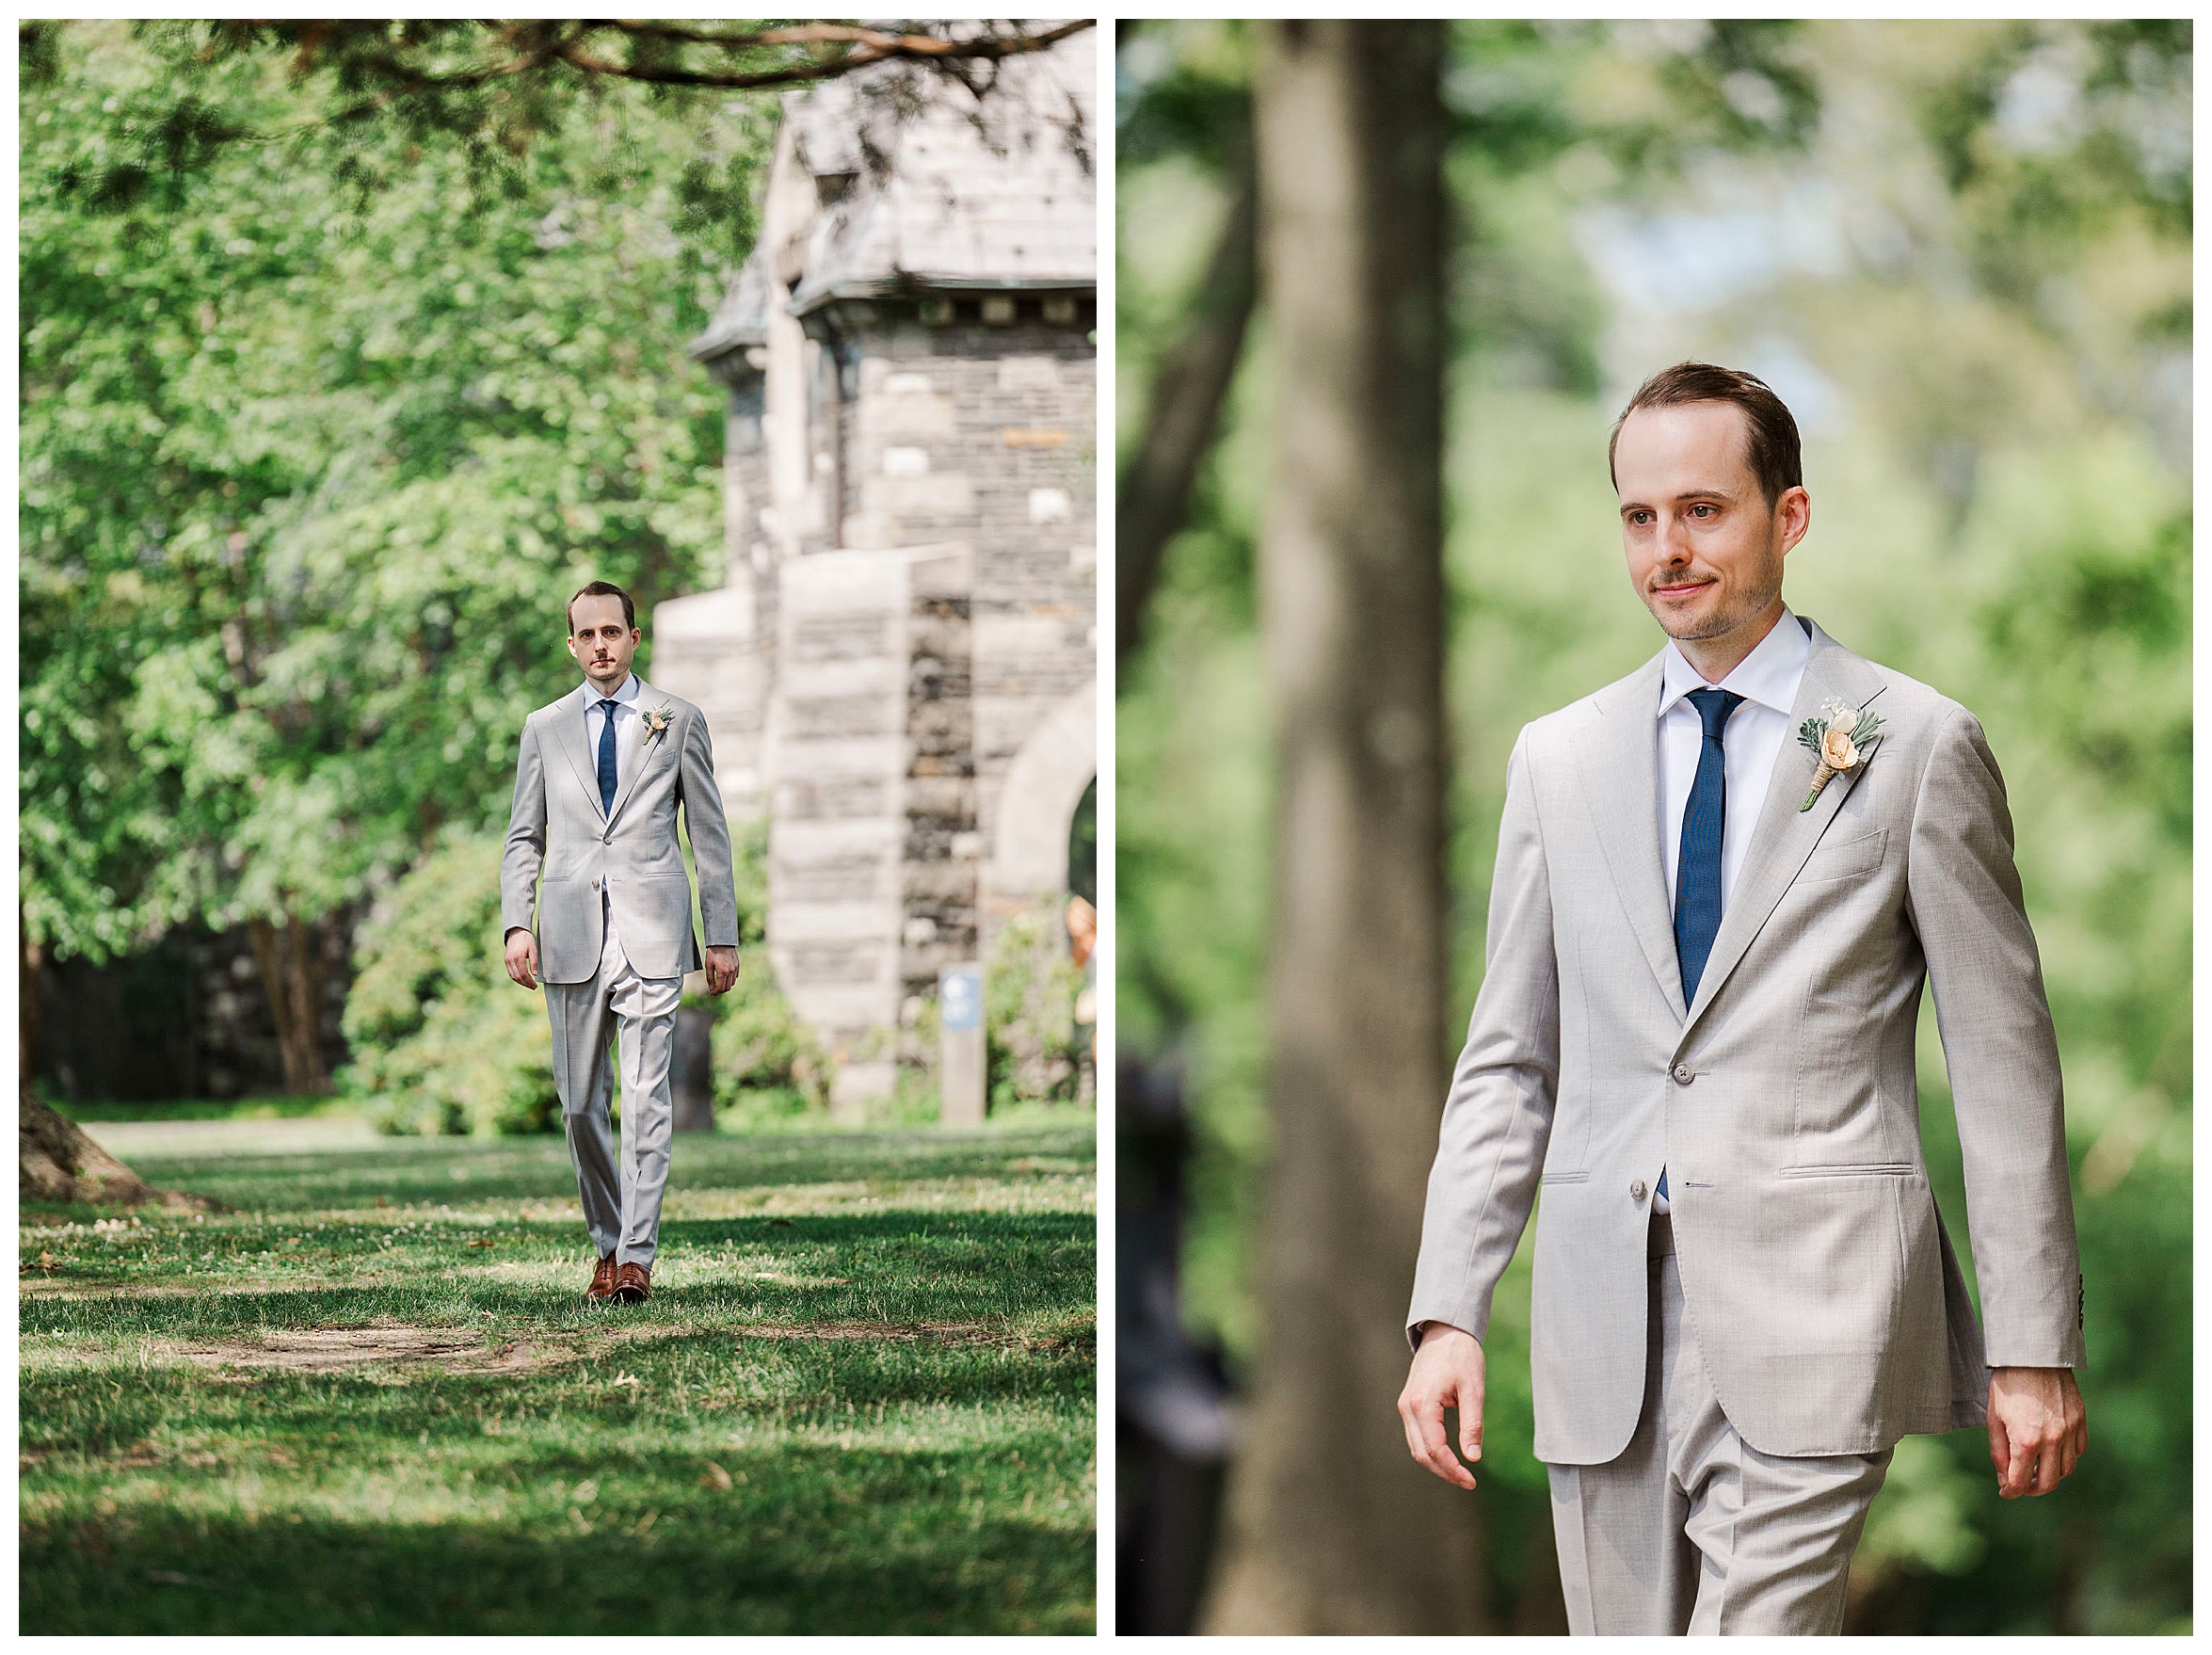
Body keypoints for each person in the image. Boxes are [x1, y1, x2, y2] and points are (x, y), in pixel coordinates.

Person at [1396, 362, 2087, 1635]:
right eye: (1639, 516)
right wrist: (1448, 1308)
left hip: (1819, 1310)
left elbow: (2002, 1060)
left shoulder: (1914, 743)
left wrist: (2030, 1341)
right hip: (1600, 1319)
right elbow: (1508, 1058)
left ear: (1790, 516)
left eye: (1703, 510)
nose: (1668, 548)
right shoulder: (1558, 758)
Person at [501, 580, 742, 1305]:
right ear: (572, 644)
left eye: (614, 632)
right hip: (570, 931)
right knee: (579, 1104)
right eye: (588, 634)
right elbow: (523, 836)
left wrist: (720, 934)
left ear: (634, 639)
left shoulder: (678, 719)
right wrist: (518, 922)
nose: (602, 645)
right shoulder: (543, 728)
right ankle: (607, 1240)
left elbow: (709, 833)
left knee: (643, 1099)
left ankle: (636, 1257)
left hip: (653, 931)